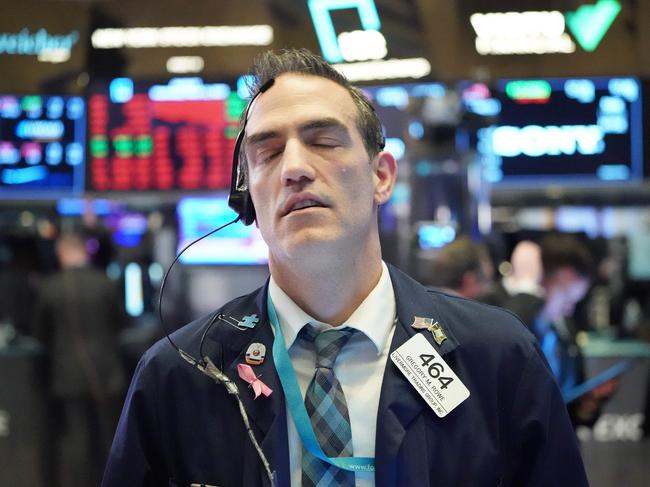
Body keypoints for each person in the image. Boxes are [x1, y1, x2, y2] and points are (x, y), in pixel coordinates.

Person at [102, 49, 588, 487]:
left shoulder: (497, 358)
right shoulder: (181, 375)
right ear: (246, 196)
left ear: (381, 176)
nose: (294, 167)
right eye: (268, 152)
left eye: (323, 141)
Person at [32, 231, 127, 487]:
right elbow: (122, 324)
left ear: (60, 253)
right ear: (86, 252)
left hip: (67, 375)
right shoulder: (105, 282)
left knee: (79, 439)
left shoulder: (49, 286)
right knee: (111, 437)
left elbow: (40, 334)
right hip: (107, 372)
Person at [503, 234, 616, 427]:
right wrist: (527, 288)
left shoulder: (564, 329)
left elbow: (569, 406)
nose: (569, 308)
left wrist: (587, 406)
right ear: (542, 280)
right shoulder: (502, 309)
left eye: (574, 301)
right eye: (566, 296)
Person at [423, 235, 494, 300]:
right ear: (469, 279)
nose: (486, 289)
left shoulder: (419, 298)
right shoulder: (472, 312)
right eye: (485, 281)